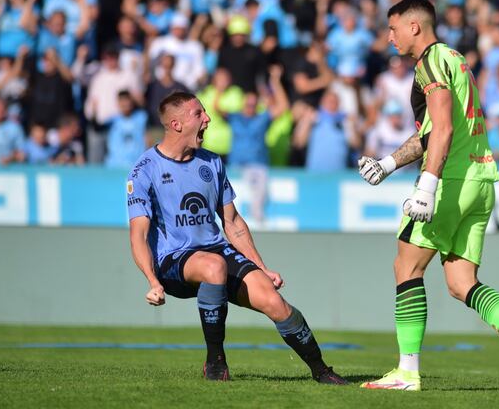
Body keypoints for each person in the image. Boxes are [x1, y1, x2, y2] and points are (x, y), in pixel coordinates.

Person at [356, 0, 499, 395]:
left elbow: (441, 131)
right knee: (462, 282)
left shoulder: (429, 61)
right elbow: (433, 130)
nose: (389, 36)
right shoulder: (454, 59)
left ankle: (407, 372)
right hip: (481, 181)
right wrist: (389, 164)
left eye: (393, 28)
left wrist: (427, 186)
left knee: (406, 268)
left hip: (451, 182)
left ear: (415, 27)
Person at [126, 91, 348, 384]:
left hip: (214, 250)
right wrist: (153, 282)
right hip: (173, 262)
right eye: (199, 114)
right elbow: (138, 235)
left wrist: (261, 267)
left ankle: (322, 371)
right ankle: (215, 362)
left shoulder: (212, 163)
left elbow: (232, 223)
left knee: (275, 302)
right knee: (213, 266)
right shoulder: (145, 169)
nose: (207, 119)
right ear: (177, 124)